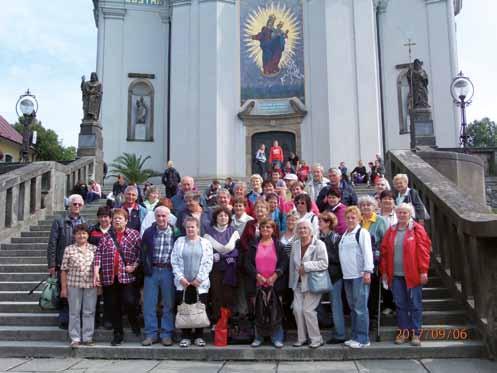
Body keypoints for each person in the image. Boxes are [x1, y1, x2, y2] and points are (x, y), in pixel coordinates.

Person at [380, 203, 432, 346]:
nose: (402, 215)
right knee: (400, 304)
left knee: (415, 304)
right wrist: (384, 271)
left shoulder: (417, 229)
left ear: (410, 214)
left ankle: (416, 333)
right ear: (396, 214)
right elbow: (384, 253)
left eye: (405, 212)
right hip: (395, 274)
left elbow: (424, 252)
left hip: (413, 274)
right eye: (400, 212)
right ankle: (403, 332)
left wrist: (423, 271)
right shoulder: (391, 230)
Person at [94, 208, 142, 346]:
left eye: (119, 218)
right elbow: (98, 255)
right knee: (113, 306)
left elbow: (141, 254)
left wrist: (134, 266)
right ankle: (118, 334)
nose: (116, 220)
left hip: (127, 277)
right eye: (114, 218)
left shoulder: (134, 234)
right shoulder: (106, 237)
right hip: (110, 277)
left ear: (126, 221)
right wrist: (97, 272)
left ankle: (134, 322)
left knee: (129, 301)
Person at [171, 217, 214, 348]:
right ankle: (186, 336)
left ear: (198, 228)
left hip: (199, 284)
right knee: (185, 310)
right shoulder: (179, 242)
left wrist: (199, 279)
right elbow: (174, 261)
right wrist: (180, 278)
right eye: (188, 227)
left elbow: (208, 262)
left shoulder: (205, 243)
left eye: (193, 227)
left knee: (199, 309)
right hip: (183, 283)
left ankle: (199, 336)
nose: (190, 229)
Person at [245, 218, 288, 348]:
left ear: (273, 229)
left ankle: (277, 338)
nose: (265, 229)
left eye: (268, 227)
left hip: (274, 284)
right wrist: (257, 275)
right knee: (259, 311)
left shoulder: (278, 245)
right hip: (258, 284)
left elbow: (284, 263)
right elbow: (247, 263)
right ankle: (259, 337)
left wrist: (276, 275)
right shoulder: (253, 245)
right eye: (263, 227)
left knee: (275, 311)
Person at [47, 194, 87, 329]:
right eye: (74, 204)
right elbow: (52, 243)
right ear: (69, 205)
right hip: (62, 263)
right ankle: (64, 318)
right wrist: (51, 264)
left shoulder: (84, 222)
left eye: (79, 204)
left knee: (77, 294)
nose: (76, 206)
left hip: (79, 265)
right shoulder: (59, 221)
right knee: (64, 292)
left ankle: (77, 318)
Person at [289, 219, 328, 348]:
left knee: (308, 310)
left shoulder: (319, 244)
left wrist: (306, 266)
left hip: (312, 283)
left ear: (311, 230)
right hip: (298, 283)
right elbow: (291, 266)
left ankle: (317, 339)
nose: (302, 230)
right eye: (300, 228)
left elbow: (324, 263)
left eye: (305, 228)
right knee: (297, 310)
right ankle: (302, 338)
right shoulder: (295, 244)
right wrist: (291, 283)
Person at [141, 206, 176, 346]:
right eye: (158, 216)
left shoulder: (176, 231)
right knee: (149, 304)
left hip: (168, 271)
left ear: (168, 217)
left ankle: (166, 333)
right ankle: (151, 334)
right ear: (155, 217)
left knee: (168, 304)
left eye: (164, 216)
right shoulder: (149, 232)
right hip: (152, 271)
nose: (161, 218)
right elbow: (143, 252)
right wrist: (146, 268)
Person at [338, 206, 374, 348]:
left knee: (360, 308)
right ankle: (355, 336)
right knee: (353, 307)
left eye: (353, 217)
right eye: (348, 217)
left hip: (359, 275)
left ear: (359, 218)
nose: (350, 219)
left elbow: (367, 253)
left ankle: (363, 339)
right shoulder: (345, 233)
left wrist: (367, 271)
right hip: (347, 275)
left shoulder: (362, 232)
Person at [60, 224, 98, 347]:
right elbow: (64, 270)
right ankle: (75, 338)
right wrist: (64, 288)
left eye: (84, 233)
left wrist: (99, 286)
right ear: (74, 235)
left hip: (90, 285)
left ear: (88, 235)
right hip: (73, 284)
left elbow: (98, 269)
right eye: (79, 233)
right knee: (74, 312)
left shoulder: (94, 249)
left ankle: (87, 337)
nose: (81, 236)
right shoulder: (69, 249)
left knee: (89, 311)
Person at [204, 207, 240, 323]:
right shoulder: (208, 232)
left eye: (225, 215)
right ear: (215, 218)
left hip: (230, 268)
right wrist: (212, 255)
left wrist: (229, 256)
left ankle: (229, 323)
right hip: (215, 269)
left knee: (229, 296)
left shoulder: (233, 231)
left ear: (229, 218)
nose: (223, 218)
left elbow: (238, 250)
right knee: (216, 296)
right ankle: (217, 322)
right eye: (220, 215)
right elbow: (205, 250)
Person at [358, 195, 389, 323]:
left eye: (368, 205)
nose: (365, 207)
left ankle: (372, 317)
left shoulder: (380, 221)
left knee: (373, 291)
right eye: (363, 205)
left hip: (375, 262)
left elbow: (386, 242)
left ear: (374, 207)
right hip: (358, 262)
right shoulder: (357, 220)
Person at [318, 212, 345, 344]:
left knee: (336, 305)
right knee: (315, 302)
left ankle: (340, 334)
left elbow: (338, 258)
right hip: (322, 275)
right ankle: (327, 322)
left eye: (321, 221)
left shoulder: (335, 238)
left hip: (334, 276)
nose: (319, 224)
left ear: (328, 223)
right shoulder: (320, 237)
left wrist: (324, 255)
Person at [88, 206, 112, 330]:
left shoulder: (114, 231)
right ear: (98, 218)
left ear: (111, 218)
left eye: (106, 217)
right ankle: (95, 319)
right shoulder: (92, 230)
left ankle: (107, 319)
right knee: (95, 295)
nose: (104, 219)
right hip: (94, 267)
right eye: (101, 217)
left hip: (110, 268)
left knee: (108, 295)